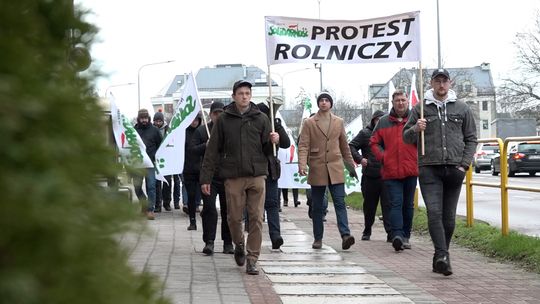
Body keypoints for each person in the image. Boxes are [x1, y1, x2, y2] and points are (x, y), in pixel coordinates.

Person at [199, 80, 278, 275]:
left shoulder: (261, 118)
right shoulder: (224, 120)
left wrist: (275, 140)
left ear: (251, 95)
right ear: (233, 96)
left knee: (256, 218)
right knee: (234, 218)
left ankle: (252, 259)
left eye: (247, 93)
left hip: (257, 174)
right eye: (241, 93)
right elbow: (212, 150)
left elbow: (267, 149)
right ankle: (239, 244)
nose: (244, 96)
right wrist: (206, 178)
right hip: (233, 175)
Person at [403, 68, 477, 276]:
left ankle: (440, 255)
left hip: (454, 168)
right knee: (434, 213)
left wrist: (464, 164)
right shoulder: (421, 109)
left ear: (450, 83)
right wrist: (416, 129)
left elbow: (471, 138)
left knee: (449, 218)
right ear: (431, 83)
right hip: (429, 168)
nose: (441, 85)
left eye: (444, 81)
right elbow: (405, 138)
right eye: (437, 81)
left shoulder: (462, 108)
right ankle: (443, 256)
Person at [298, 92, 356, 250]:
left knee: (340, 202)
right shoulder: (309, 122)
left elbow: (345, 146)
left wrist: (351, 166)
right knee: (317, 206)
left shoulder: (338, 122)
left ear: (331, 104)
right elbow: (303, 145)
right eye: (321, 100)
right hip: (317, 168)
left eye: (327, 100)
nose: (324, 103)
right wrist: (302, 164)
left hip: (336, 168)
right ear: (318, 103)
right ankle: (318, 238)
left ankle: (345, 235)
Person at [370, 91, 418, 252]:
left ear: (407, 102)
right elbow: (374, 142)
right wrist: (384, 157)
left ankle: (406, 235)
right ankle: (397, 235)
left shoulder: (415, 120)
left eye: (403, 100)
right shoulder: (383, 122)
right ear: (393, 102)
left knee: (408, 205)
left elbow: (425, 141)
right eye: (397, 100)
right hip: (391, 170)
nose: (401, 103)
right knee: (395, 203)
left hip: (411, 169)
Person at [192, 101, 234, 255]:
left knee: (228, 210)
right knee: (209, 209)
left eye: (221, 113)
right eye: (215, 113)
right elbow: (192, 150)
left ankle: (228, 243)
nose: (218, 116)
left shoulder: (230, 130)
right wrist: (206, 145)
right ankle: (209, 242)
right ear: (210, 115)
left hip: (228, 176)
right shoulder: (202, 131)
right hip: (209, 176)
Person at [349, 110, 391, 241]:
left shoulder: (389, 133)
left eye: (382, 119)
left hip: (387, 175)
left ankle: (390, 233)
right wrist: (360, 159)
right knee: (369, 206)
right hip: (370, 176)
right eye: (377, 119)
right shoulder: (365, 133)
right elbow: (352, 146)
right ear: (373, 120)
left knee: (388, 206)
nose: (379, 122)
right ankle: (367, 230)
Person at [257, 101, 290, 250]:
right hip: (255, 170)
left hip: (270, 170)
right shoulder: (253, 126)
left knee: (272, 203)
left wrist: (278, 130)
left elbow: (286, 143)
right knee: (254, 206)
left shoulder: (274, 125)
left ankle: (275, 236)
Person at [133, 109, 162, 220]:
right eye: (142, 118)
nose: (144, 120)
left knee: (151, 186)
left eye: (146, 118)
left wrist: (156, 157)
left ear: (149, 118)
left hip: (150, 163)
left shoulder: (155, 130)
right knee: (137, 187)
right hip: (138, 163)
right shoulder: (134, 130)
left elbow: (160, 145)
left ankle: (150, 210)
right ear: (139, 119)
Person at [183, 113, 202, 230]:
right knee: (191, 196)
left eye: (197, 120)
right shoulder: (184, 132)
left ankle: (204, 217)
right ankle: (192, 221)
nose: (194, 122)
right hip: (188, 168)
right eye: (192, 120)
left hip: (202, 168)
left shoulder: (202, 132)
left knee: (204, 195)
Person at [152, 111, 172, 212]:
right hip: (155, 159)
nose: (158, 123)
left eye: (160, 121)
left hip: (166, 159)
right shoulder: (152, 129)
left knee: (167, 182)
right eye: (156, 121)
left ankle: (167, 203)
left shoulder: (168, 129)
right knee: (156, 183)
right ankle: (157, 204)